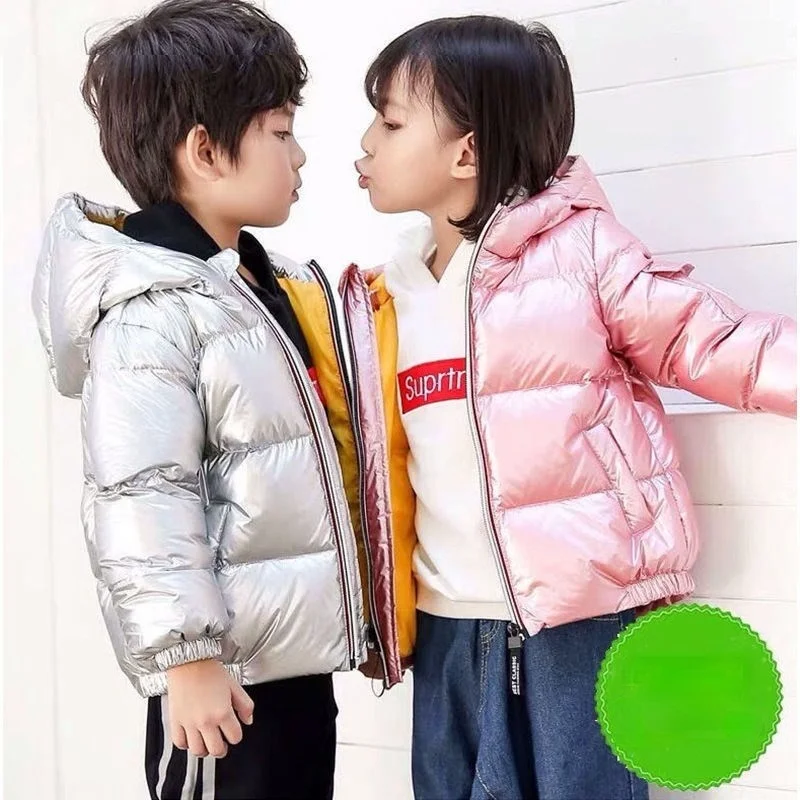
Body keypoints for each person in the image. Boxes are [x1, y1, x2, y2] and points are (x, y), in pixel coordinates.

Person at [340, 15, 796, 800]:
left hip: (580, 621)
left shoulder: (581, 254)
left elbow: (715, 342)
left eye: (390, 121)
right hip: (443, 624)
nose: (365, 143)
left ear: (466, 152)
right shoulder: (383, 296)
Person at [31, 1, 365, 797]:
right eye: (281, 132)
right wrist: (186, 659)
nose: (299, 155)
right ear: (206, 150)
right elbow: (141, 493)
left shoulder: (254, 285)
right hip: (222, 684)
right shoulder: (149, 310)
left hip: (288, 663)